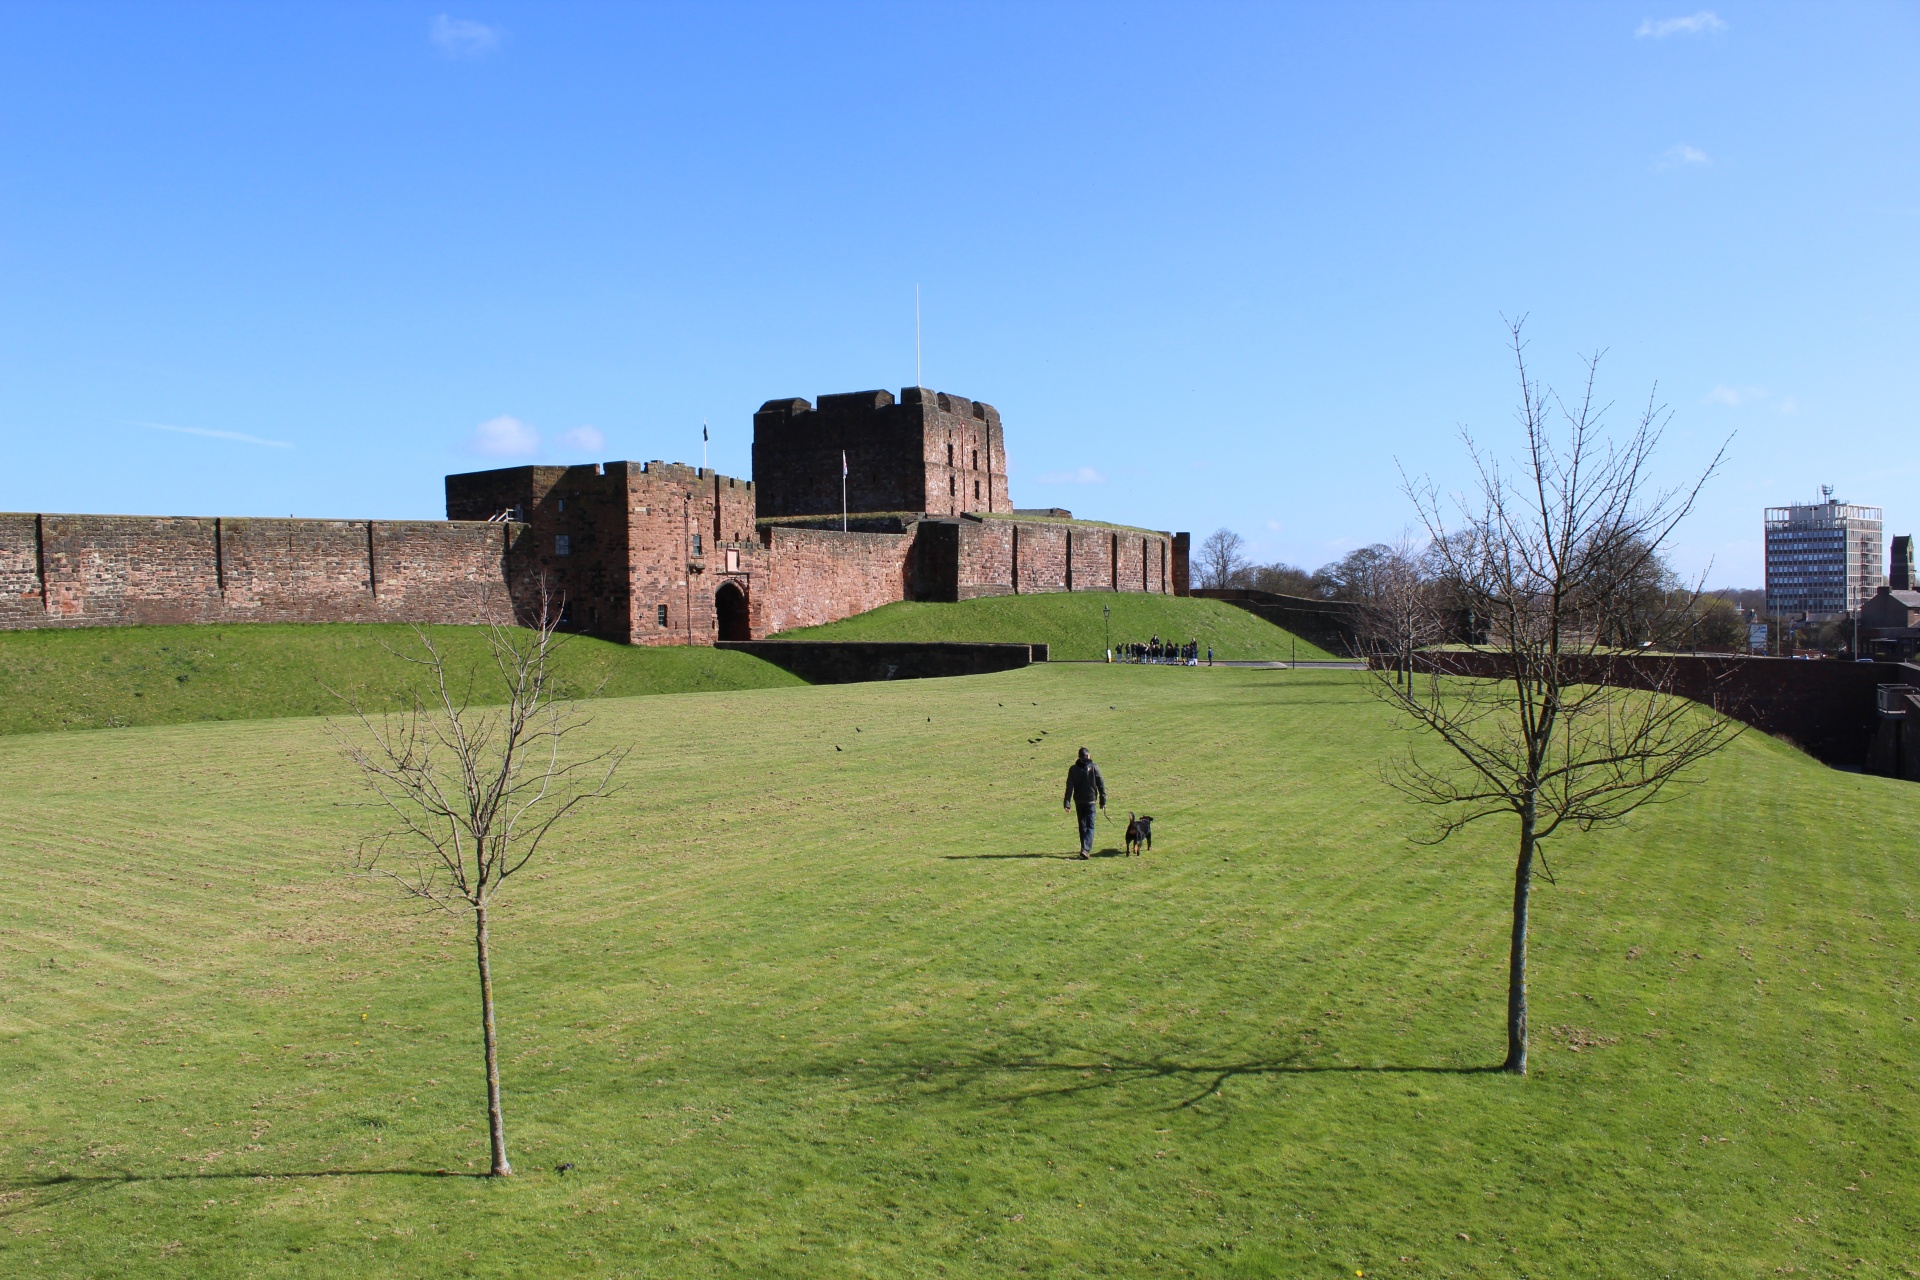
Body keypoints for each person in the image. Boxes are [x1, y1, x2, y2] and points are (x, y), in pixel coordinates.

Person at [1062, 746, 1107, 859]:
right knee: (1090, 826)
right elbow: (1100, 784)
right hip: (1090, 801)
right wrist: (1103, 800)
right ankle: (1085, 849)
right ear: (1087, 755)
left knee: (1082, 826)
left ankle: (1084, 849)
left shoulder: (1073, 769)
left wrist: (1067, 802)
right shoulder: (1094, 767)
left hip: (1079, 801)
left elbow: (1069, 787)